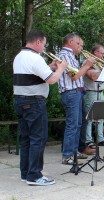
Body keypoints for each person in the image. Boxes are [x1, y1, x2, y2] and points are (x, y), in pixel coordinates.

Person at [13, 30, 67, 185]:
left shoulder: (20, 56)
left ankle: (26, 173)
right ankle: (35, 176)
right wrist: (61, 68)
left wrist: (49, 66)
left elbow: (33, 75)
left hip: (20, 101)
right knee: (38, 138)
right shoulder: (35, 58)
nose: (44, 47)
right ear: (38, 42)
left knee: (26, 139)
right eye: (44, 44)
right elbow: (52, 80)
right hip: (34, 103)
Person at [57, 33, 95, 165]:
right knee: (72, 125)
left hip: (77, 92)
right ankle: (67, 155)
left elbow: (77, 74)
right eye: (79, 44)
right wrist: (87, 65)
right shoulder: (64, 55)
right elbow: (74, 76)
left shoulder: (72, 56)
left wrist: (85, 66)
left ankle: (74, 152)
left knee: (78, 124)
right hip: (71, 92)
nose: (81, 47)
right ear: (70, 42)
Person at [83, 44, 104, 148]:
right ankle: (88, 140)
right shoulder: (87, 62)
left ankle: (100, 139)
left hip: (100, 91)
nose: (103, 55)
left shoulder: (99, 63)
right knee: (90, 117)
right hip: (91, 92)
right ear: (95, 52)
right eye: (101, 53)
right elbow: (92, 76)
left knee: (101, 116)